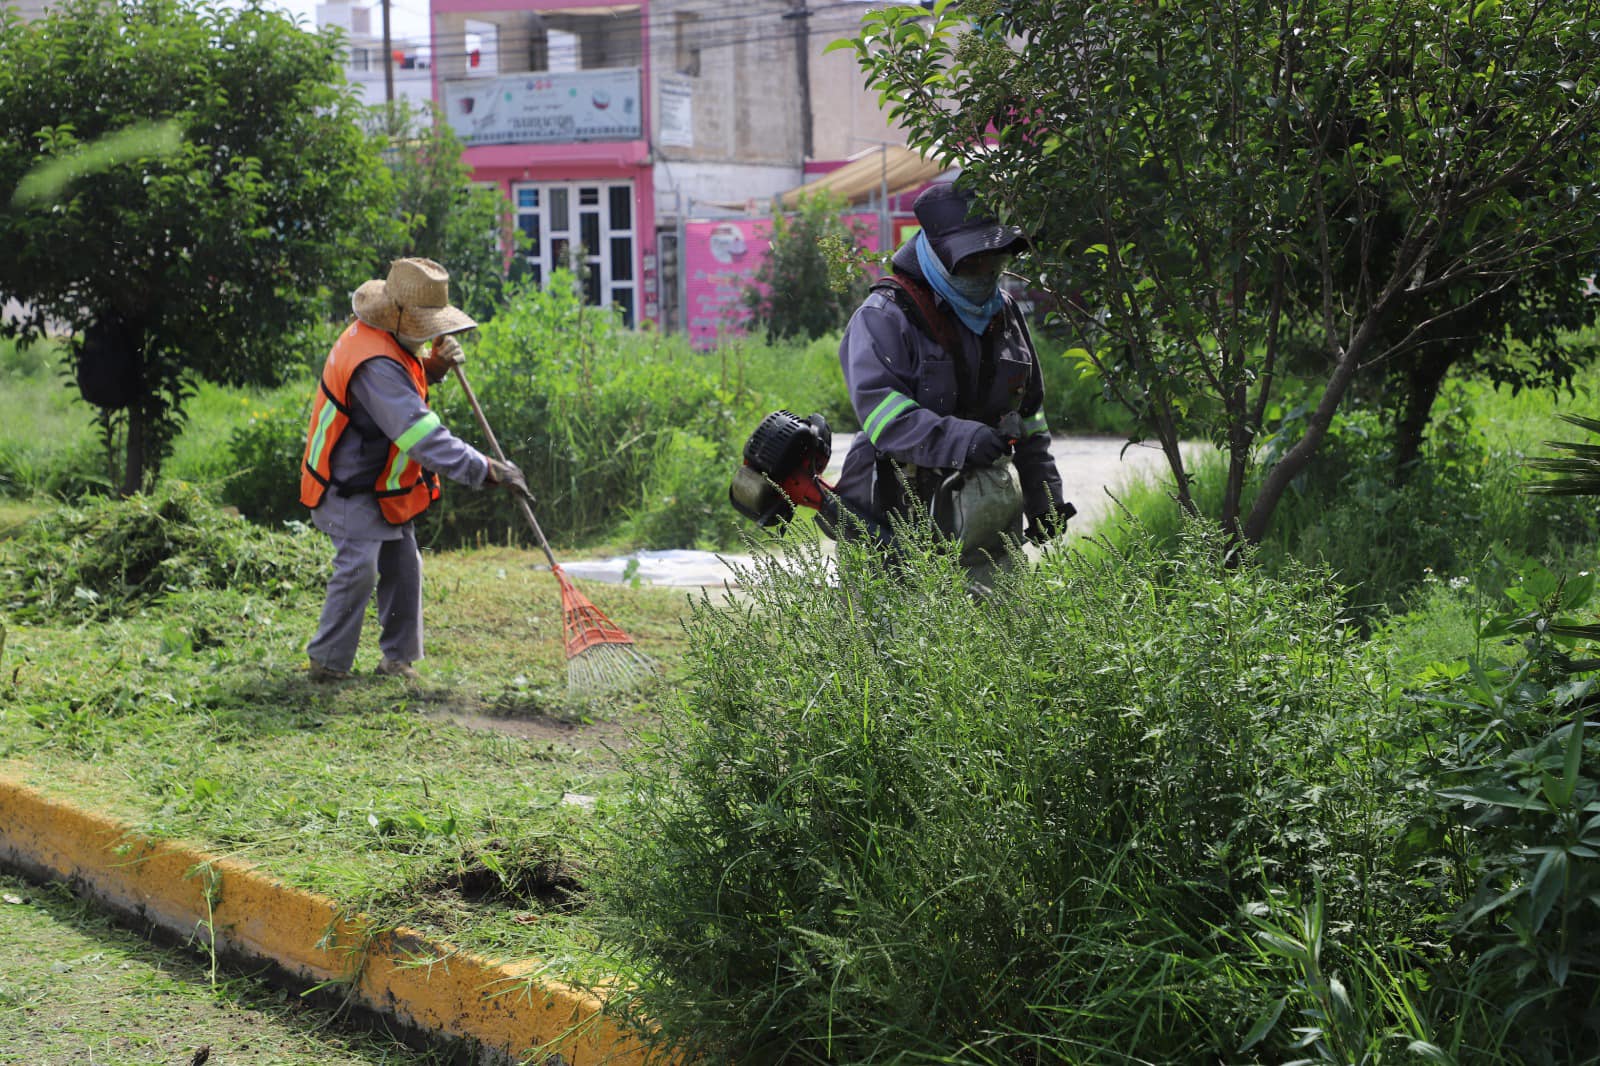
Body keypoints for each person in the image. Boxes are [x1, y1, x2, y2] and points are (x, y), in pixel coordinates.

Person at [833, 181, 1074, 588]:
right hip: (893, 518)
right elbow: (883, 417)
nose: (984, 273)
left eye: (991, 260)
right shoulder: (885, 316)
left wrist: (1044, 496)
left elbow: (1029, 418)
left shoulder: (1006, 314)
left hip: (984, 522)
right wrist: (962, 439)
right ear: (937, 256)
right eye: (972, 262)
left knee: (999, 640)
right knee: (892, 645)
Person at [299, 257, 527, 682]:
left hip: (383, 482)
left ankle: (397, 659)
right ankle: (327, 665)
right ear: (397, 317)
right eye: (425, 324)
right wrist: (486, 469)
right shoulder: (374, 363)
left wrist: (432, 368)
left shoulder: (389, 342)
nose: (430, 334)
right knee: (358, 569)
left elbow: (406, 382)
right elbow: (420, 435)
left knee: (405, 565)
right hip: (348, 483)